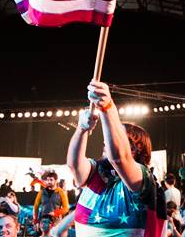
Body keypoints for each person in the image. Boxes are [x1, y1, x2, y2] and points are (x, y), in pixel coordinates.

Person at [68, 81, 166, 237]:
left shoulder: (144, 179)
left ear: (133, 149)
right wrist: (81, 129)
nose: (107, 139)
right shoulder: (99, 172)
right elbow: (74, 165)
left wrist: (108, 108)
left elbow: (119, 158)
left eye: (115, 135)